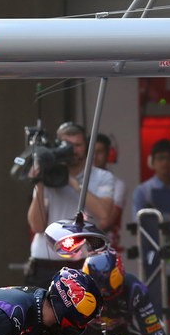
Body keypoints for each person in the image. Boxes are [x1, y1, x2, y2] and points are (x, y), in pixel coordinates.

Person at [26, 122, 117, 288]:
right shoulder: (47, 175)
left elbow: (104, 214)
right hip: (44, 264)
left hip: (83, 263)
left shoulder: (102, 177)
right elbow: (37, 226)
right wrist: (39, 183)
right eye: (67, 145)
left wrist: (72, 182)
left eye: (78, 145)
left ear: (86, 147)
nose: (73, 151)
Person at [80, 248, 167, 335]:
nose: (105, 298)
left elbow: (154, 330)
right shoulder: (76, 289)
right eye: (99, 294)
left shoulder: (135, 289)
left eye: (110, 293)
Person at [94, 133, 126, 249]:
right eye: (91, 151)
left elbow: (108, 221)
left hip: (107, 249)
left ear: (109, 154)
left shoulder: (118, 184)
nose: (95, 156)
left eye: (100, 152)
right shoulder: (77, 181)